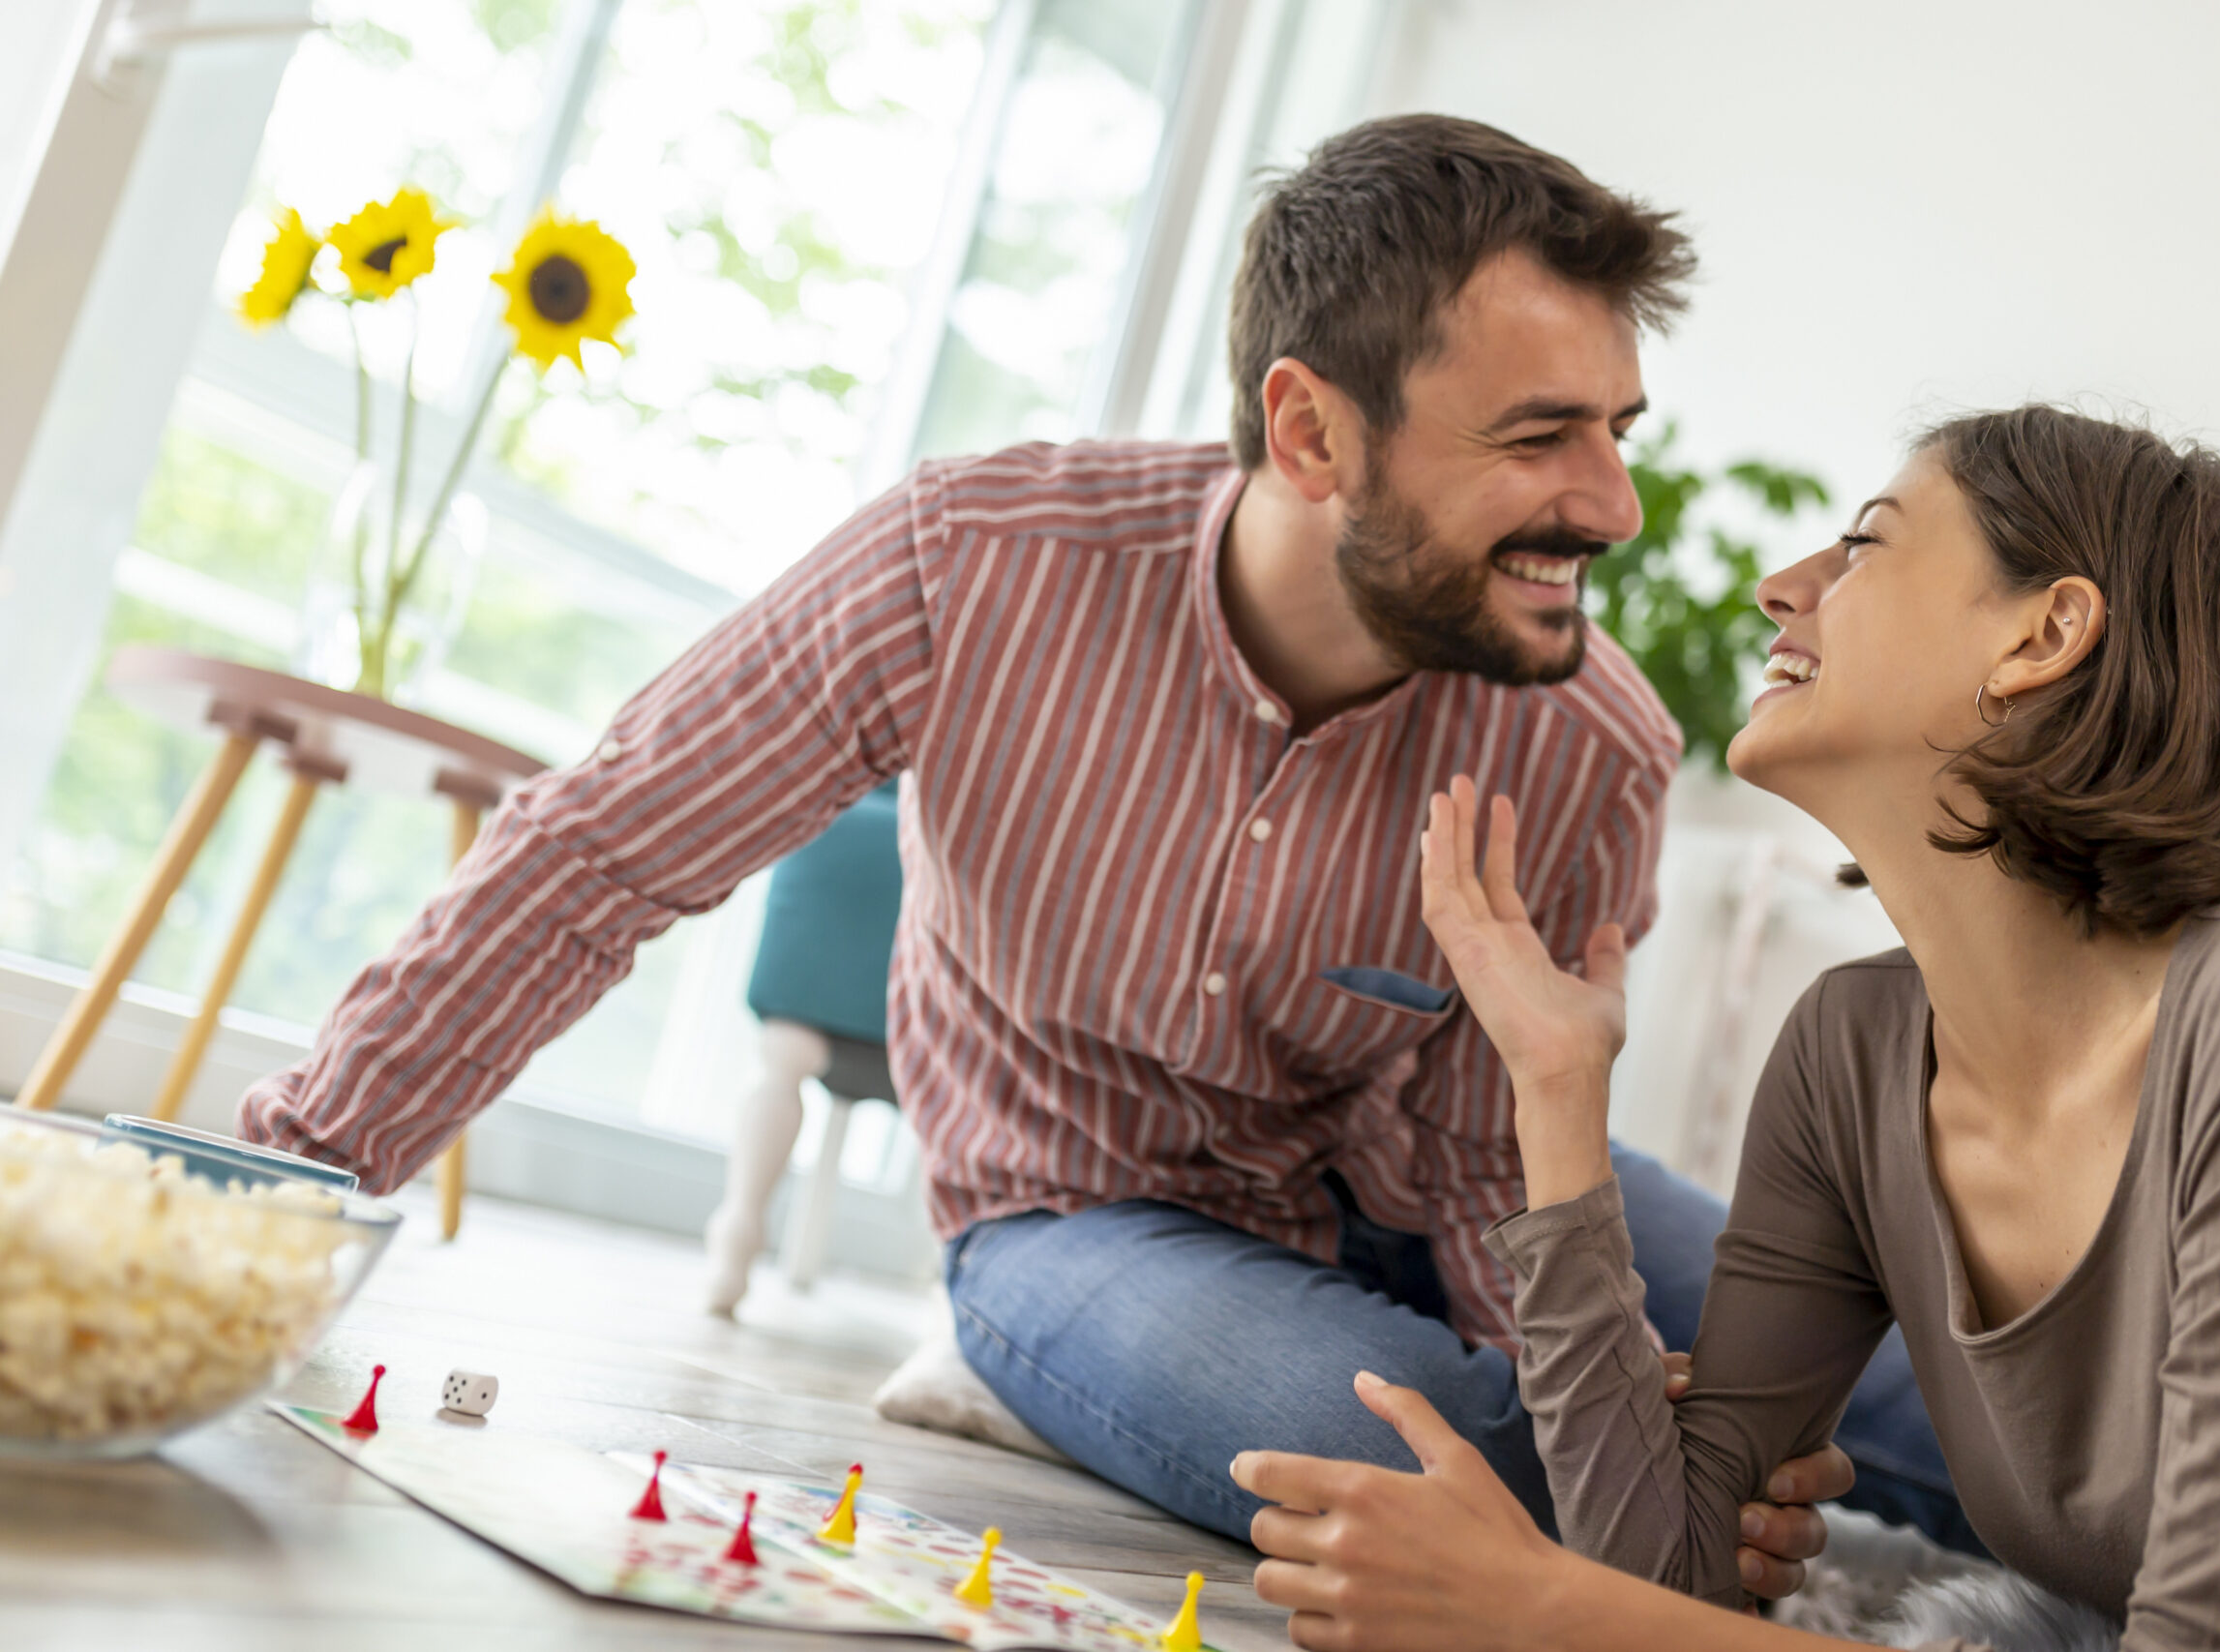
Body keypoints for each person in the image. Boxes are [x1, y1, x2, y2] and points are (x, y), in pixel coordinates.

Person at [234, 114, 1970, 1567]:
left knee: (1907, 1359)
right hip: (1080, 1213)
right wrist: (283, 1194)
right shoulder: (971, 563)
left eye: (1616, 429)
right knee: (1435, 1460)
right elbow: (600, 853)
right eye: (1542, 437)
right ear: (1311, 431)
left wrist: (1643, 1438)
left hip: (1441, 1187)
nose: (1612, 504)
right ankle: (1066, 1374)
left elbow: (1482, 1170)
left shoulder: (1587, 742)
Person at [1232, 405, 2220, 1650]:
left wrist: (1542, 1607)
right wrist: (1557, 1091)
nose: (1783, 590)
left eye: (1864, 547)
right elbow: (1668, 1573)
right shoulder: (1852, 1050)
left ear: (2045, 634)